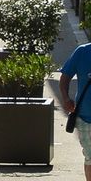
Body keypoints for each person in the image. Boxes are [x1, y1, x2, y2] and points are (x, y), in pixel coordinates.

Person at [59, 43, 91, 181]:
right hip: (86, 117)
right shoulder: (83, 51)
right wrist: (66, 99)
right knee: (90, 157)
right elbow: (65, 78)